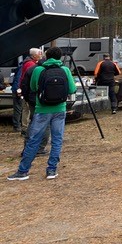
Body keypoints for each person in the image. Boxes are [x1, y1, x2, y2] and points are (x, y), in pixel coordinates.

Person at [8, 47, 76, 181]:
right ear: (60, 57)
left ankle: (23, 171)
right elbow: (72, 89)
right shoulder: (65, 70)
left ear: (46, 56)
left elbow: (33, 88)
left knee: (34, 140)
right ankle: (51, 170)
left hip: (42, 109)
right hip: (59, 109)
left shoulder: (38, 69)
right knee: (57, 140)